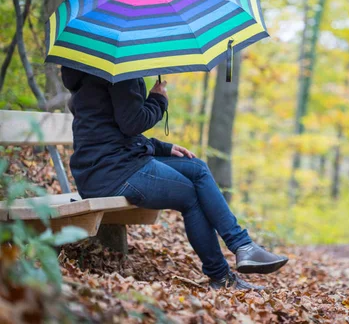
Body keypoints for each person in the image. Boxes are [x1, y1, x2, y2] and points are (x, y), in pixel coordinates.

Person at [61, 66, 287, 290]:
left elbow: (109, 130)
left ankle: (242, 246)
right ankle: (223, 274)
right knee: (190, 195)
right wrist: (158, 100)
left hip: (103, 169)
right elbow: (132, 123)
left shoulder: (94, 69)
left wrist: (163, 147)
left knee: (197, 168)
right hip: (115, 172)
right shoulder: (121, 72)